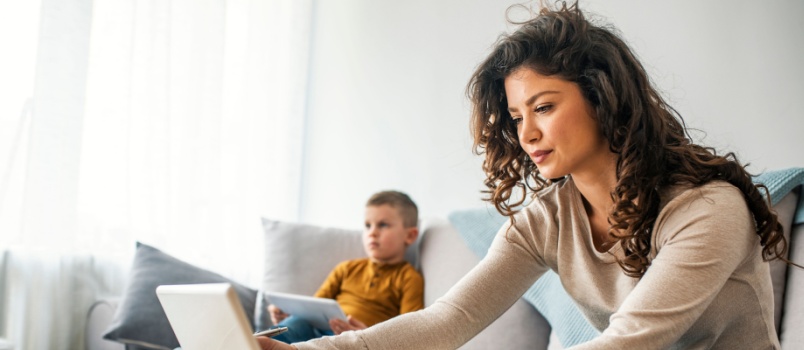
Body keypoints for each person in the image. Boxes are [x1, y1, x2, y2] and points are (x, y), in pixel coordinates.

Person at [258, 2, 795, 349]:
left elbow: (633, 340)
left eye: (544, 107)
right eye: (517, 117)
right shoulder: (546, 222)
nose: (527, 133)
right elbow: (449, 320)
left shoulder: (707, 210)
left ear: (602, 98)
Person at [268, 190, 424, 343]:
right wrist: (287, 315)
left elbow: (409, 334)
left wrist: (367, 336)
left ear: (410, 236)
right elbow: (314, 306)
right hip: (315, 329)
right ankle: (260, 343)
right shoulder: (347, 268)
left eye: (383, 225)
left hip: (355, 341)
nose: (372, 232)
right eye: (368, 225)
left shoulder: (409, 278)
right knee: (295, 323)